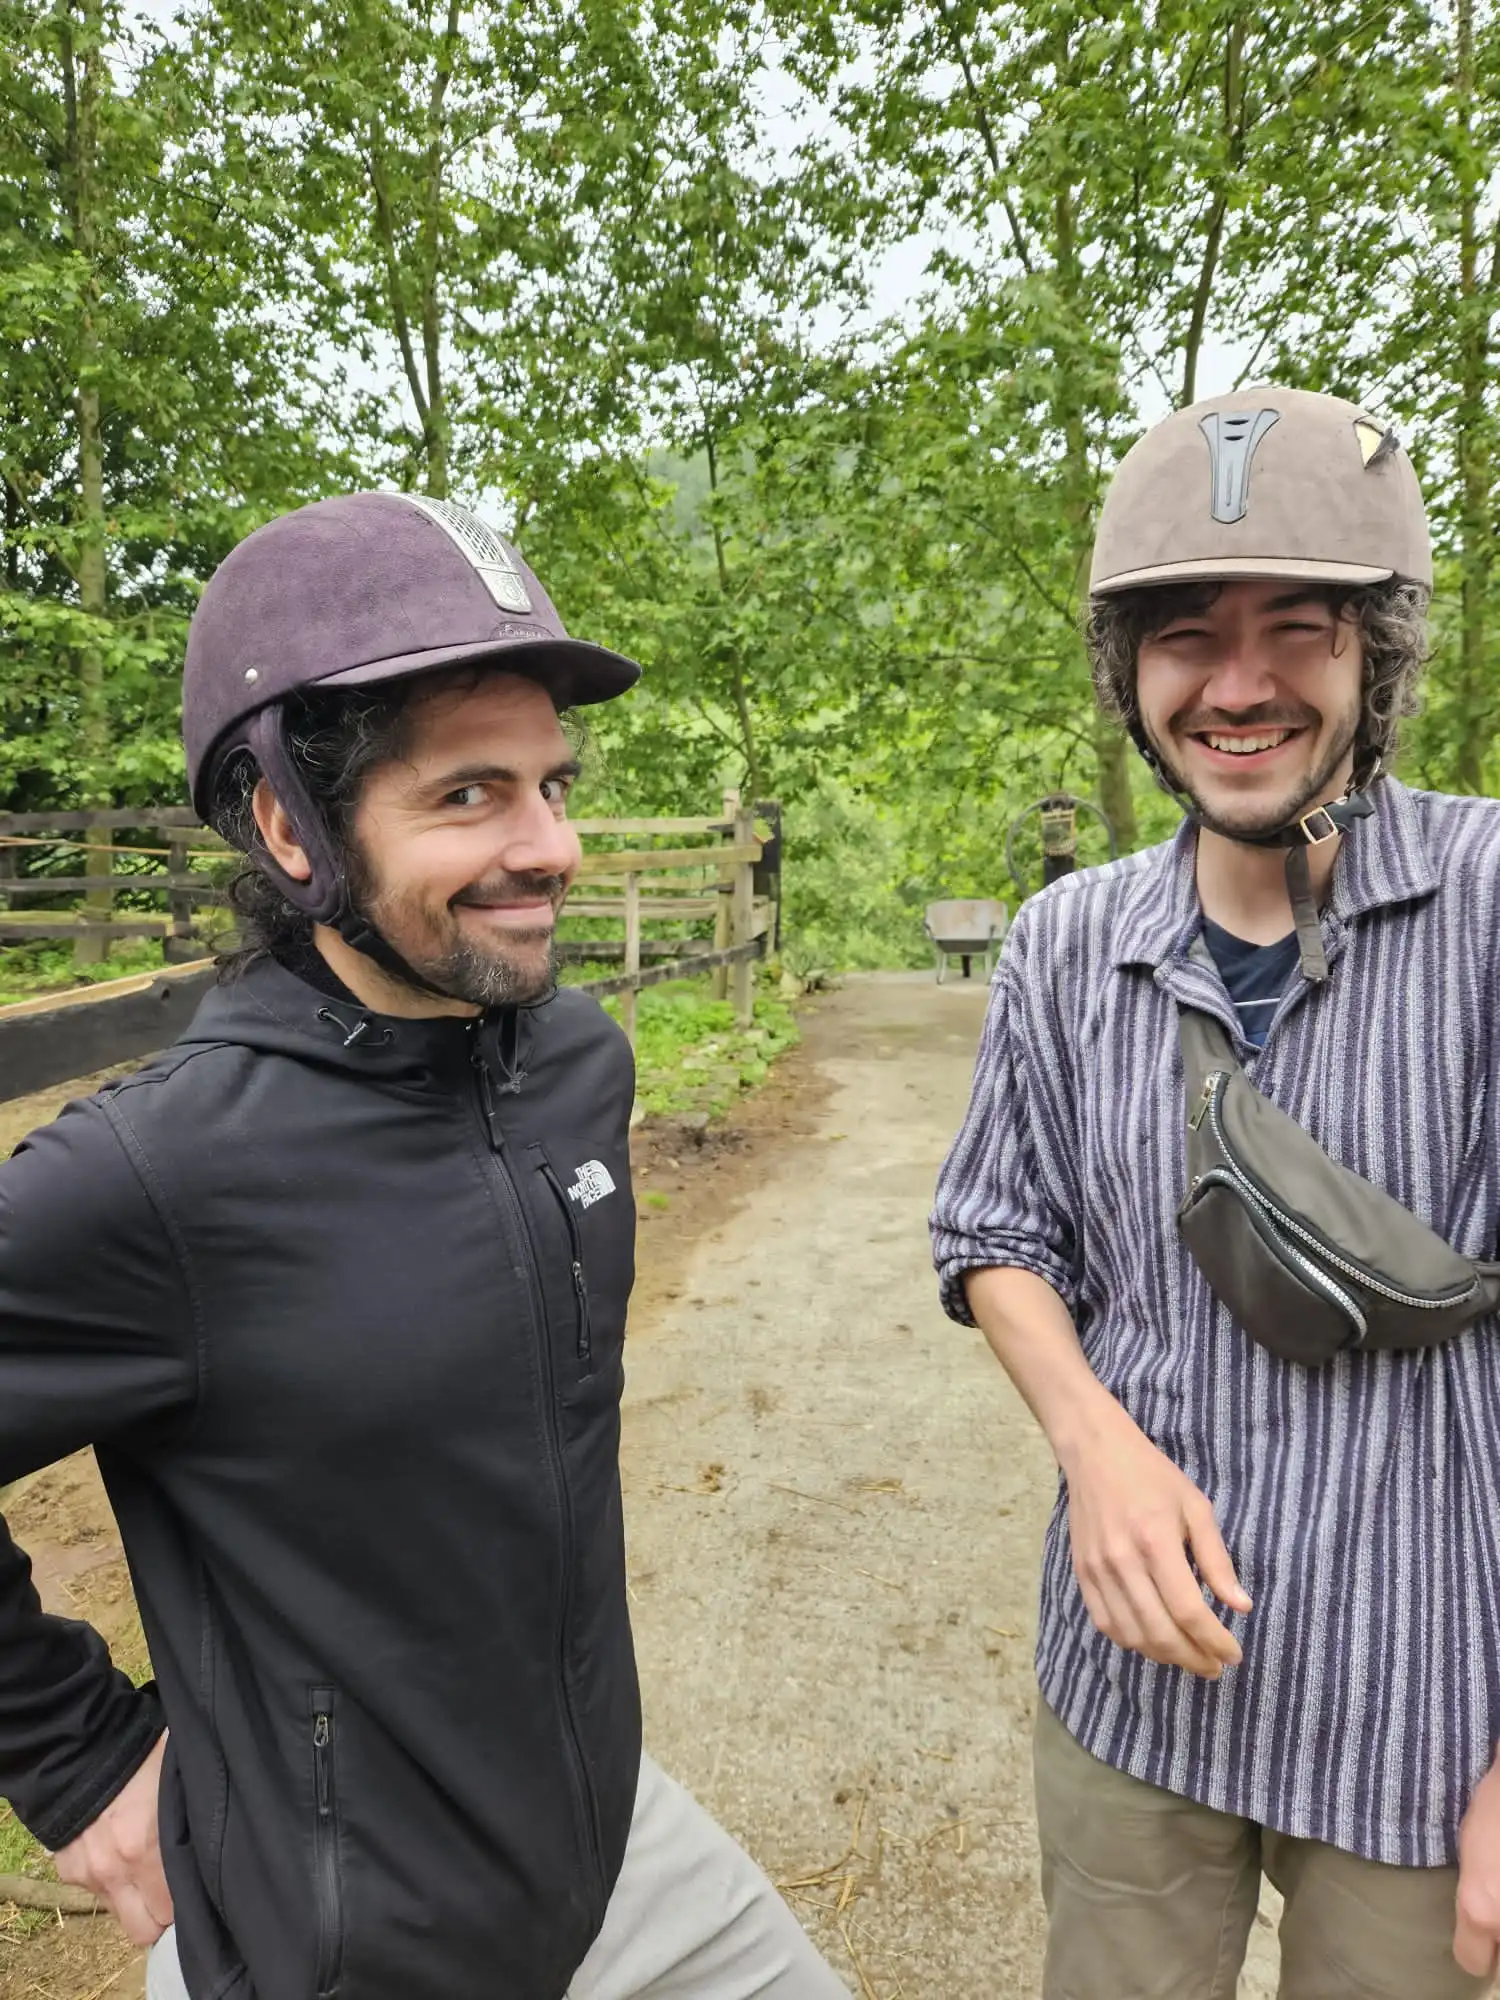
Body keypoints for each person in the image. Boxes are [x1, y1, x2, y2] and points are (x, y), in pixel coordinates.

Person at [0, 492, 847, 2000]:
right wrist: (73, 1762)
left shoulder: (574, 1059)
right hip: (346, 1944)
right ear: (287, 823)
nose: (553, 847)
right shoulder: (158, 1174)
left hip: (615, 1850)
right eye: (470, 797)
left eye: (553, 785)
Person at [932, 388, 1500, 1998]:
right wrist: (1095, 1445)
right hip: (1136, 1691)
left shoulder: (1488, 912)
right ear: (1130, 674)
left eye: (1299, 631)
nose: (1238, 686)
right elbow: (994, 1232)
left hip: (1428, 1698)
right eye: (1186, 636)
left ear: (1376, 661)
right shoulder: (1067, 942)